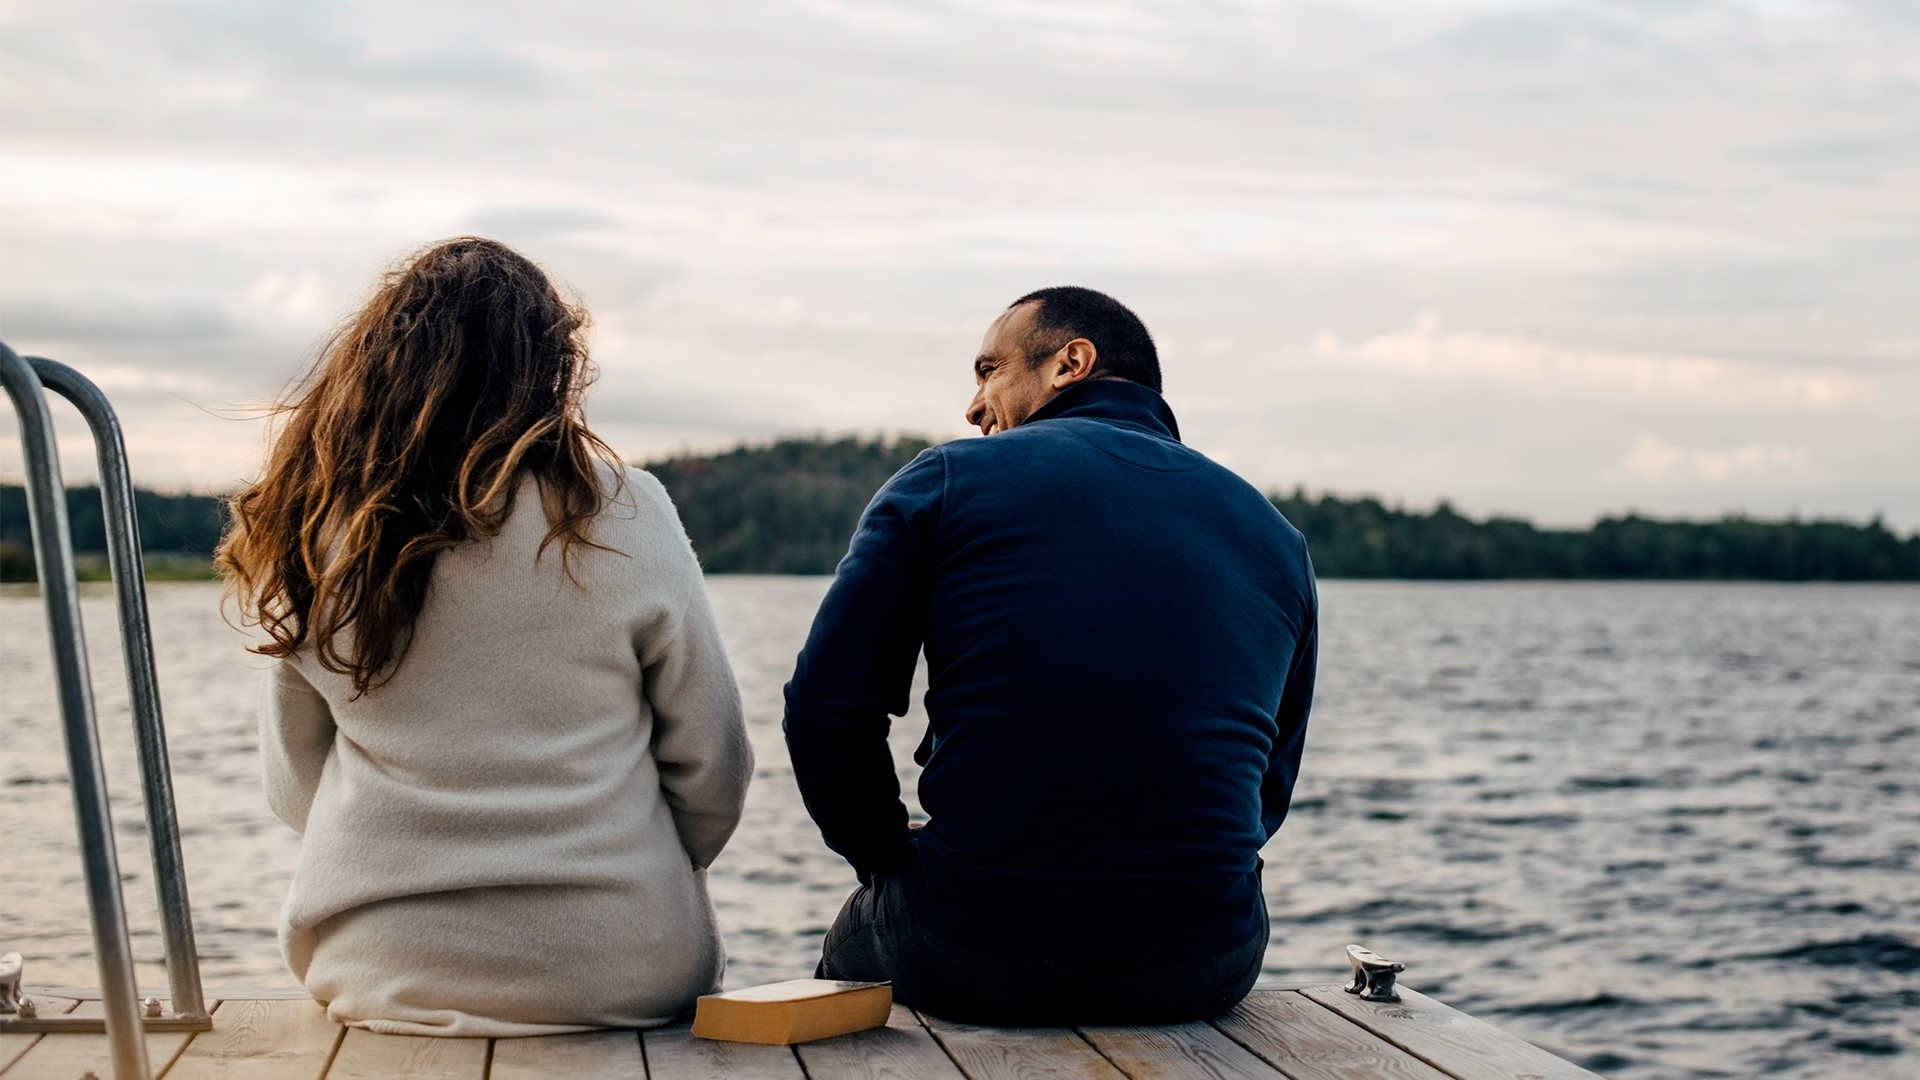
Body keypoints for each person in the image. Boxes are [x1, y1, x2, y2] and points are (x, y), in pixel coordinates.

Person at [219, 237, 752, 1037]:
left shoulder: (318, 523)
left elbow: (295, 785)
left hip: (383, 962)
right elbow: (714, 763)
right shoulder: (625, 508)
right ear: (550, 367)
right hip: (623, 962)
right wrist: (643, 871)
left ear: (375, 363)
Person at [783, 286, 1317, 1026]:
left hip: (972, 943)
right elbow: (1268, 786)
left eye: (988, 370)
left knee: (857, 947)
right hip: (1207, 959)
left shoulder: (945, 481)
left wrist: (886, 863)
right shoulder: (1277, 537)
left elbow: (824, 712)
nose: (973, 407)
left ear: (1070, 362)